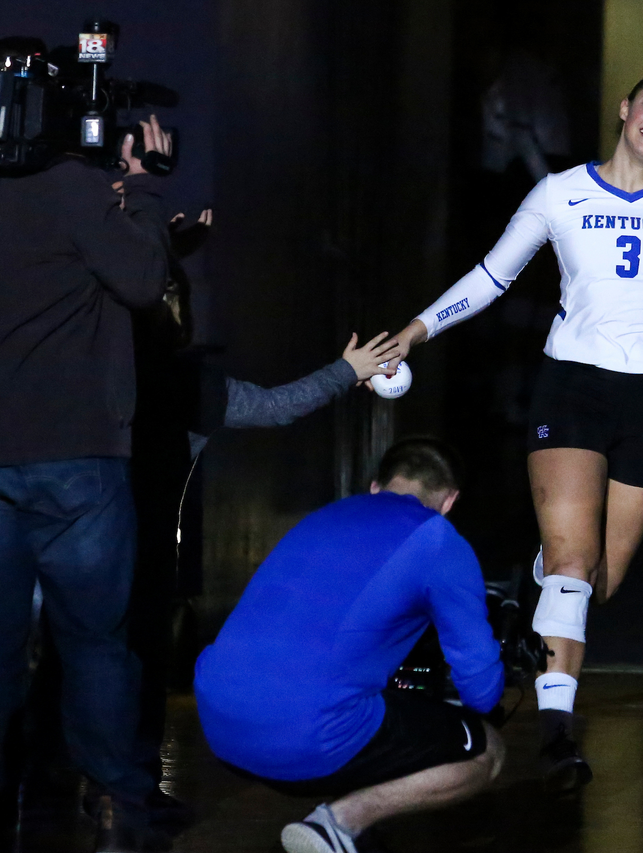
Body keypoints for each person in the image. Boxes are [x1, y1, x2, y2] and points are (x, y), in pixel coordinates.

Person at [385, 70, 643, 790]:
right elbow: (492, 277)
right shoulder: (559, 193)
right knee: (576, 565)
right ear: (624, 108)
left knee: (597, 580)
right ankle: (556, 733)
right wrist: (413, 334)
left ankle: (535, 586)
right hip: (574, 387)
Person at [195, 438, 504, 853]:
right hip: (304, 735)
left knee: (375, 706)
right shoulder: (439, 539)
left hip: (217, 722)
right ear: (449, 501)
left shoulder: (323, 516)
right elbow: (481, 691)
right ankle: (337, 824)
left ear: (376, 486)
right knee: (487, 750)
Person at [0, 114, 174, 850]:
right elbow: (141, 279)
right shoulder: (74, 187)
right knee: (96, 645)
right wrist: (143, 186)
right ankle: (112, 811)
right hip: (78, 455)